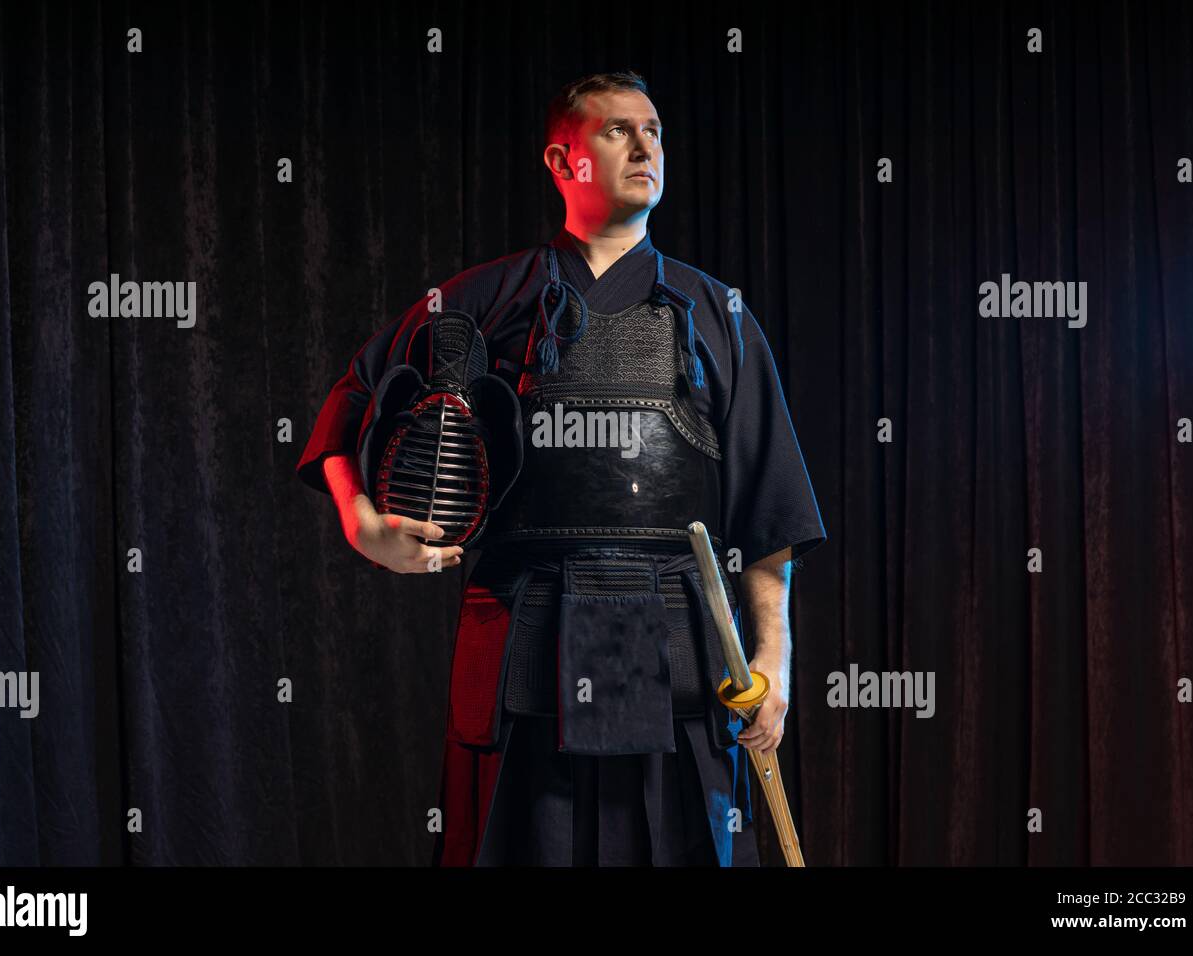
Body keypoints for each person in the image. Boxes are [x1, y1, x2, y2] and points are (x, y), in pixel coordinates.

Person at [296, 70, 826, 866]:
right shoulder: (482, 303)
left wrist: (771, 661)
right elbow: (349, 404)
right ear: (561, 158)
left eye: (653, 131)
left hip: (679, 660)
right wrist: (362, 521)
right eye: (617, 130)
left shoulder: (720, 315)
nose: (645, 145)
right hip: (522, 655)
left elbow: (769, 511)